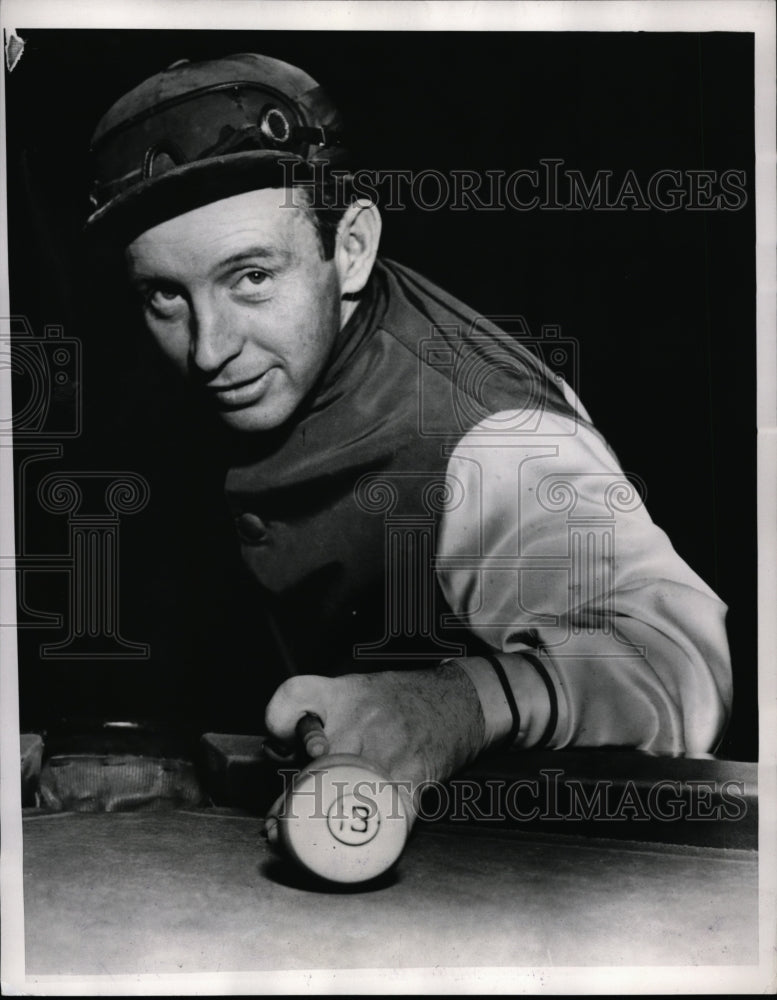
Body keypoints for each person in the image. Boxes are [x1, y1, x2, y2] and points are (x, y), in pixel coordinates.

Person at [85, 52, 732, 804]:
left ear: (351, 247)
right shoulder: (256, 361)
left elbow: (680, 665)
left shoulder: (490, 435)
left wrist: (457, 704)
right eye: (165, 295)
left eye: (252, 277)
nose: (208, 347)